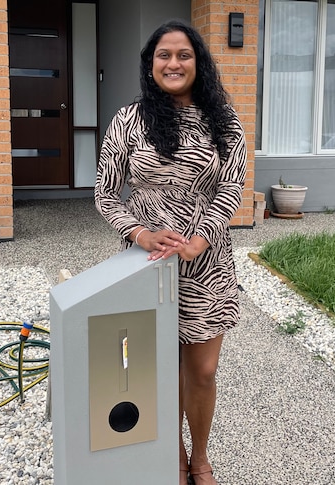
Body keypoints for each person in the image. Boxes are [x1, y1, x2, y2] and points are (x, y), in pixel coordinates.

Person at [94, 19, 246, 485]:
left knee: (201, 371)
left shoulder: (224, 122)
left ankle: (200, 457)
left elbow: (231, 186)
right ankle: (173, 456)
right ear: (151, 64)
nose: (173, 63)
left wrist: (201, 237)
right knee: (151, 366)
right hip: (145, 265)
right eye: (164, 55)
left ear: (198, 62)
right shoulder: (129, 120)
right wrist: (139, 232)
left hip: (206, 264)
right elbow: (104, 193)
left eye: (184, 54)